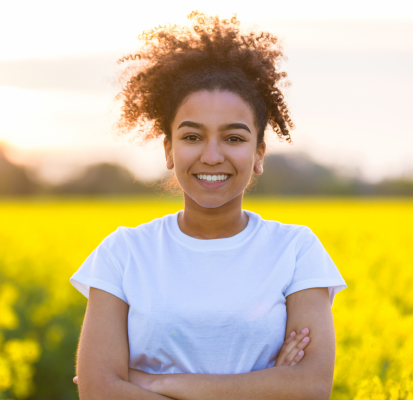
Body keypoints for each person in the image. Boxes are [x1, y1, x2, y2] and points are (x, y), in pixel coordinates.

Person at [69, 11, 347, 399]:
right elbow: (99, 392)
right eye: (192, 137)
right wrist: (263, 387)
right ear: (169, 150)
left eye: (233, 138)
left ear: (259, 153)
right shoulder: (122, 253)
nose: (212, 156)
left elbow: (311, 386)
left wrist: (152, 382)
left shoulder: (297, 250)